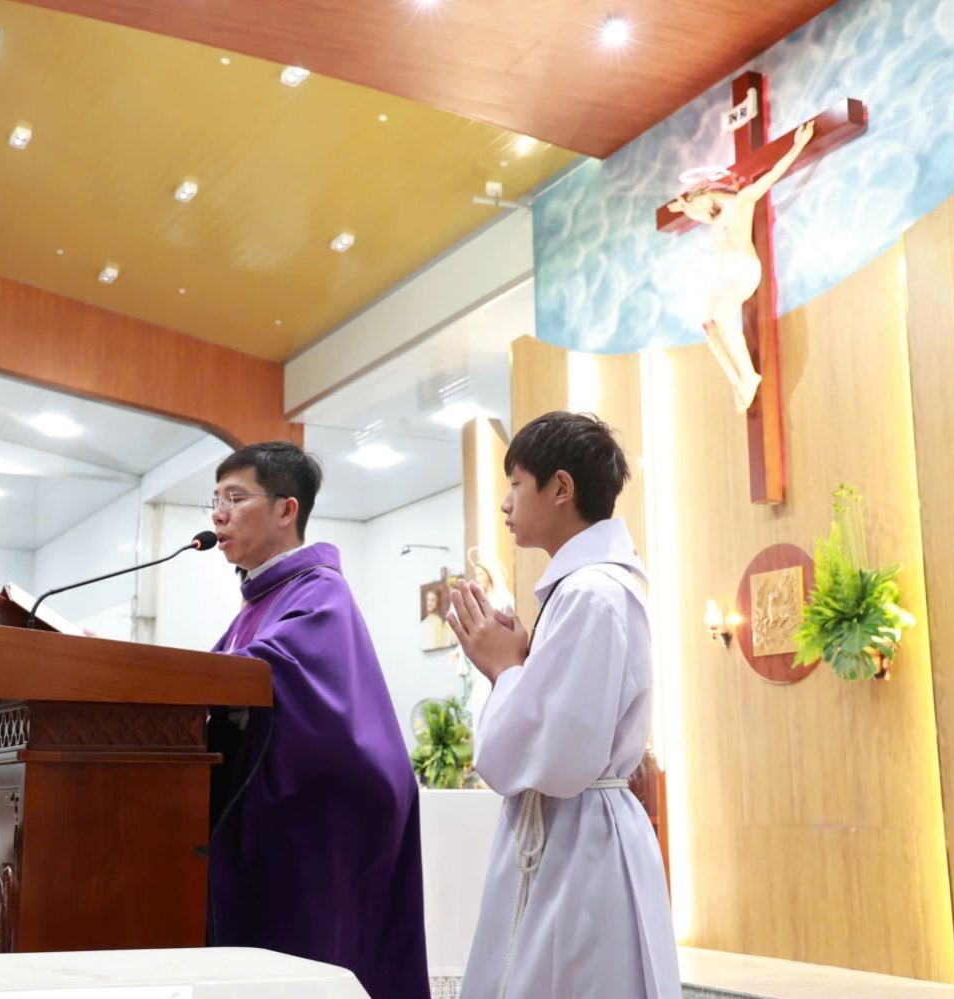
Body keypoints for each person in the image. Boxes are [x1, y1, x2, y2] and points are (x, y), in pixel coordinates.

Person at [448, 412, 680, 999]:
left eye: (516, 484)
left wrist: (505, 669)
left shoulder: (590, 594)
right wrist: (525, 662)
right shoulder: (586, 589)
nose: (505, 503)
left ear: (560, 488)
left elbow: (553, 758)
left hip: (578, 839)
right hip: (574, 826)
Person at [206, 441, 430, 999]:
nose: (219, 515)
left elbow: (275, 673)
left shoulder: (318, 590)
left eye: (235, 498)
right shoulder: (263, 597)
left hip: (320, 824)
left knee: (309, 965)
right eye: (215, 500)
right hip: (277, 816)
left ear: (287, 509)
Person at [668, 120, 814, 412]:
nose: (698, 210)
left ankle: (749, 376)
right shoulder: (713, 215)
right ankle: (737, 379)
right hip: (726, 275)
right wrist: (684, 207)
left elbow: (774, 174)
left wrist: (798, 144)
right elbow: (698, 213)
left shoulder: (742, 200)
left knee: (723, 317)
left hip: (744, 270)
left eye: (699, 202)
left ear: (709, 193)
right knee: (707, 322)